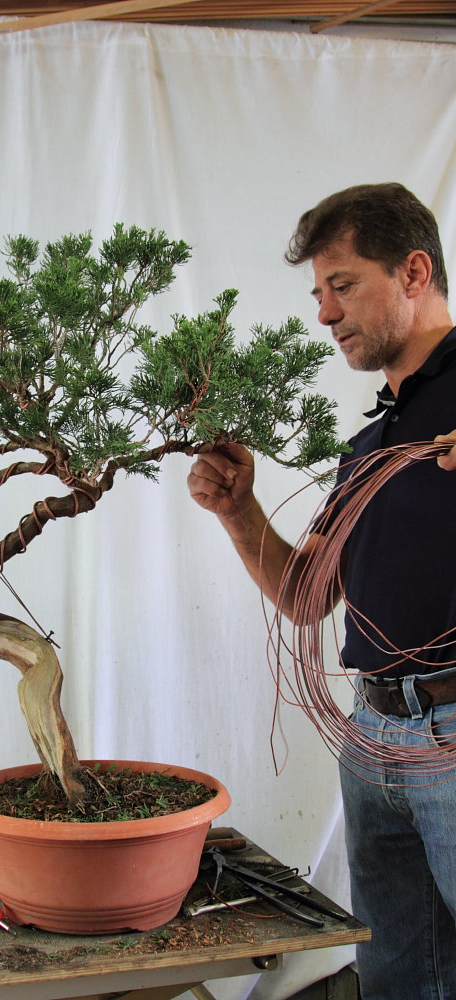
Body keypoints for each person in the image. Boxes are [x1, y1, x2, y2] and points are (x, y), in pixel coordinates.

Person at [187, 183, 456, 1000]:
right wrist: (238, 512)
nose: (324, 314)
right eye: (317, 293)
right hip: (373, 737)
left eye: (341, 285)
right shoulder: (371, 443)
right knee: (399, 974)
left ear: (413, 273)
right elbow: (306, 598)